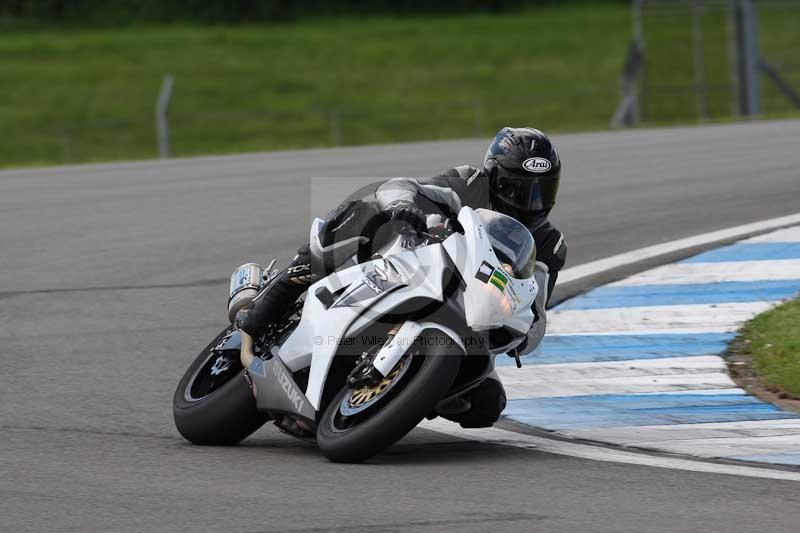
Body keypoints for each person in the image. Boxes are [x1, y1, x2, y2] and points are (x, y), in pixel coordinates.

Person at [236, 126, 566, 427]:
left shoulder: (549, 245)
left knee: (487, 404)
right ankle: (274, 293)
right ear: (493, 176)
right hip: (412, 269)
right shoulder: (468, 184)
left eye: (542, 190)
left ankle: (403, 392)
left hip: (471, 318)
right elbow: (400, 186)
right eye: (517, 189)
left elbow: (536, 313)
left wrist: (521, 328)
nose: (532, 202)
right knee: (365, 215)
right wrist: (402, 207)